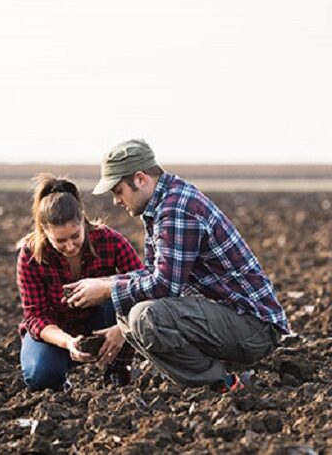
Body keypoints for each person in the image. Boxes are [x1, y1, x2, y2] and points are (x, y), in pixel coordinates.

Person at [67, 139, 289, 393]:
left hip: (254, 328)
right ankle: (223, 371)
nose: (116, 201)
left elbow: (164, 286)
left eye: (118, 191)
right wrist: (107, 285)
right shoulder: (162, 203)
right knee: (131, 310)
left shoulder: (176, 209)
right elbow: (156, 274)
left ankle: (225, 382)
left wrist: (107, 290)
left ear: (140, 179)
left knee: (144, 317)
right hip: (230, 318)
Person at [17, 174, 144, 391]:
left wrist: (122, 330)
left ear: (83, 221)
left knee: (121, 292)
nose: (70, 246)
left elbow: (144, 285)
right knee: (40, 376)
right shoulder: (30, 256)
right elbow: (35, 316)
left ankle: (117, 374)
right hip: (56, 331)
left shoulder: (110, 241)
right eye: (60, 241)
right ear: (45, 232)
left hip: (103, 322)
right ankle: (60, 381)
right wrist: (68, 342)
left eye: (75, 236)